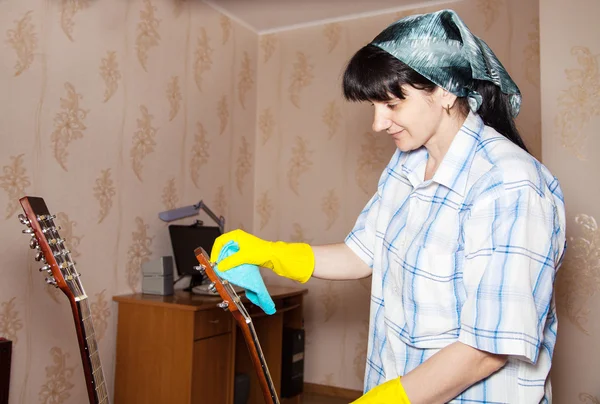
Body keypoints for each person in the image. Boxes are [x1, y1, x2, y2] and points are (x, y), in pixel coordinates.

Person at [210, 9, 566, 404]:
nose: (377, 124)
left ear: (445, 90)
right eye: (373, 106)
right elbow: (362, 254)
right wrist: (269, 253)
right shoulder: (407, 163)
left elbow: (486, 350)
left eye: (392, 104)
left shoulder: (508, 182)